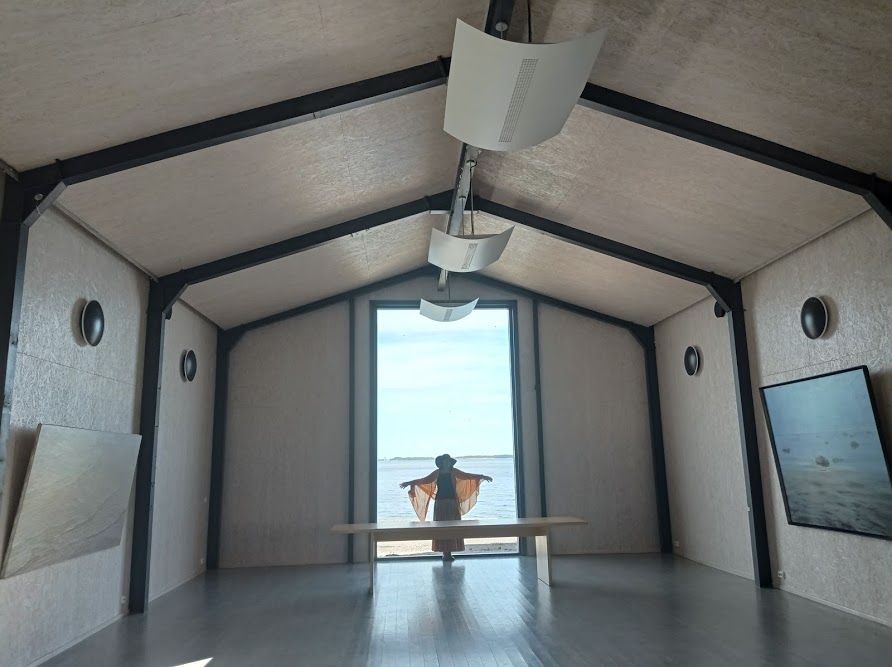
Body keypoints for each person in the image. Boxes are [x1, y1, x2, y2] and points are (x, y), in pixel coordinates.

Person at [399, 454, 493, 561]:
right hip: (440, 503)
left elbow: (467, 476)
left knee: (453, 526)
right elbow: (424, 480)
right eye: (446, 460)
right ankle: (445, 553)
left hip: (452, 501)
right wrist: (409, 483)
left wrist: (482, 476)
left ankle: (449, 552)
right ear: (441, 462)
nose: (448, 462)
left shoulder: (454, 471)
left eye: (449, 461)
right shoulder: (437, 473)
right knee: (441, 527)